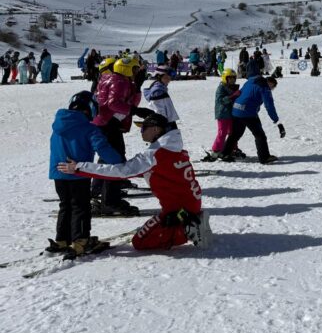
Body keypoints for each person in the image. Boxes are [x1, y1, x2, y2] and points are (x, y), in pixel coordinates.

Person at [57, 111, 212, 250]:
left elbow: (120, 172)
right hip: (190, 202)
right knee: (147, 232)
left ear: (156, 130)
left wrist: (80, 168)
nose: (141, 131)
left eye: (144, 127)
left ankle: (187, 228)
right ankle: (191, 219)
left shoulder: (154, 154)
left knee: (140, 242)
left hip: (178, 210)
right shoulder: (174, 147)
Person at [48, 91, 123, 258]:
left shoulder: (58, 125)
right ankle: (81, 240)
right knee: (80, 206)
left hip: (58, 174)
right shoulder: (89, 128)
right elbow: (102, 147)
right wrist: (119, 161)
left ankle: (62, 239)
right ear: (91, 108)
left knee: (65, 205)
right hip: (78, 173)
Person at [91, 55, 142, 216]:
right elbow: (113, 103)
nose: (136, 72)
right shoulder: (118, 81)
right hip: (108, 124)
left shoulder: (117, 80)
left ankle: (104, 194)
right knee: (115, 161)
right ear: (126, 68)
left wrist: (137, 87)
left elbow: (130, 102)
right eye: (134, 69)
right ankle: (109, 201)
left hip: (108, 124)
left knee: (111, 159)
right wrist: (133, 110)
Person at [221, 75, 284, 164]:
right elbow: (269, 106)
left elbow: (241, 92)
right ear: (270, 83)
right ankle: (264, 157)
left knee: (235, 134)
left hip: (236, 109)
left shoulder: (251, 81)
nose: (271, 89)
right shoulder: (265, 88)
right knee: (260, 135)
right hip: (248, 113)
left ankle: (225, 153)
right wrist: (277, 121)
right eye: (272, 87)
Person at [208, 68, 241, 159]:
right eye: (230, 78)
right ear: (225, 78)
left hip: (232, 113)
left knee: (232, 133)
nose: (232, 80)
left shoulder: (233, 87)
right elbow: (221, 100)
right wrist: (233, 96)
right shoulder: (221, 88)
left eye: (234, 78)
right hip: (223, 113)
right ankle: (216, 150)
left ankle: (233, 148)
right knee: (222, 132)